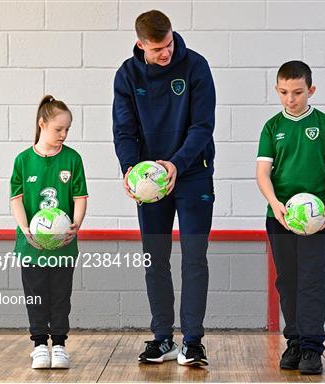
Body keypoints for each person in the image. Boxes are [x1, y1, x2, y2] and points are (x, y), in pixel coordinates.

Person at [112, 10, 216, 366]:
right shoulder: (127, 75)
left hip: (192, 174)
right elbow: (124, 130)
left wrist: (176, 164)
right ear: (141, 44)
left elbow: (203, 126)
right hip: (150, 183)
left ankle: (192, 341)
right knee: (155, 260)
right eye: (157, 48)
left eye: (169, 43)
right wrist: (130, 169)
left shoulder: (196, 67)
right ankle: (162, 338)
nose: (166, 53)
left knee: (194, 257)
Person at [256, 61, 325, 375]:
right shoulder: (271, 127)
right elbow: (263, 173)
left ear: (311, 90)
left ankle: (311, 347)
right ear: (277, 90)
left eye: (297, 92)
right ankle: (293, 342)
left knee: (312, 281)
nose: (290, 99)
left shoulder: (324, 125)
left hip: (316, 219)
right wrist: (275, 203)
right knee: (288, 281)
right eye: (283, 92)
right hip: (280, 218)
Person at [10, 95, 88, 369]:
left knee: (60, 296)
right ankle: (40, 345)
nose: (63, 134)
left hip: (63, 247)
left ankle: (60, 346)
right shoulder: (23, 160)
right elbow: (16, 198)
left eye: (67, 129)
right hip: (31, 246)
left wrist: (75, 224)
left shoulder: (72, 159)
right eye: (58, 129)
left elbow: (80, 197)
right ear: (42, 124)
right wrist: (25, 228)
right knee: (36, 295)